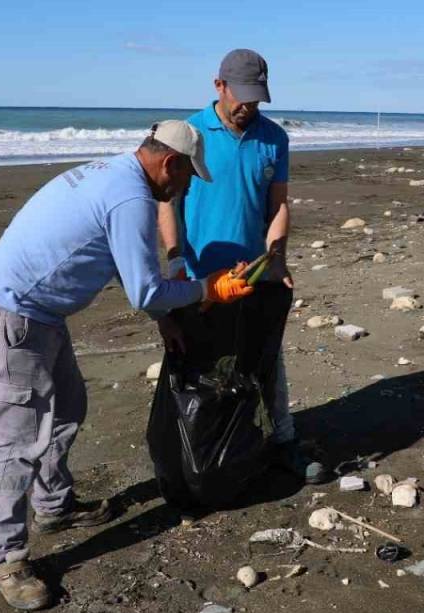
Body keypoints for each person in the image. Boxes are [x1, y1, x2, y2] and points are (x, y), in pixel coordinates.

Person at [0, 120, 254, 611]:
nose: (184, 189)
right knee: (16, 442)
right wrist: (208, 289)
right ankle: (6, 558)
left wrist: (165, 320)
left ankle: (54, 507)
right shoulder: (131, 198)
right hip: (13, 319)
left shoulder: (111, 174)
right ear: (170, 163)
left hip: (38, 312)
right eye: (186, 178)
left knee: (68, 407)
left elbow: (124, 262)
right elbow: (143, 288)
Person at [157, 49, 332, 485]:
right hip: (199, 280)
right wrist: (176, 260)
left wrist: (278, 258)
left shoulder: (274, 138)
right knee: (198, 369)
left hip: (252, 274)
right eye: (242, 97)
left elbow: (278, 205)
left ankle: (282, 440)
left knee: (266, 361)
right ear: (219, 85)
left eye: (257, 99)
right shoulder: (190, 132)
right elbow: (168, 204)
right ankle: (201, 453)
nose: (248, 107)